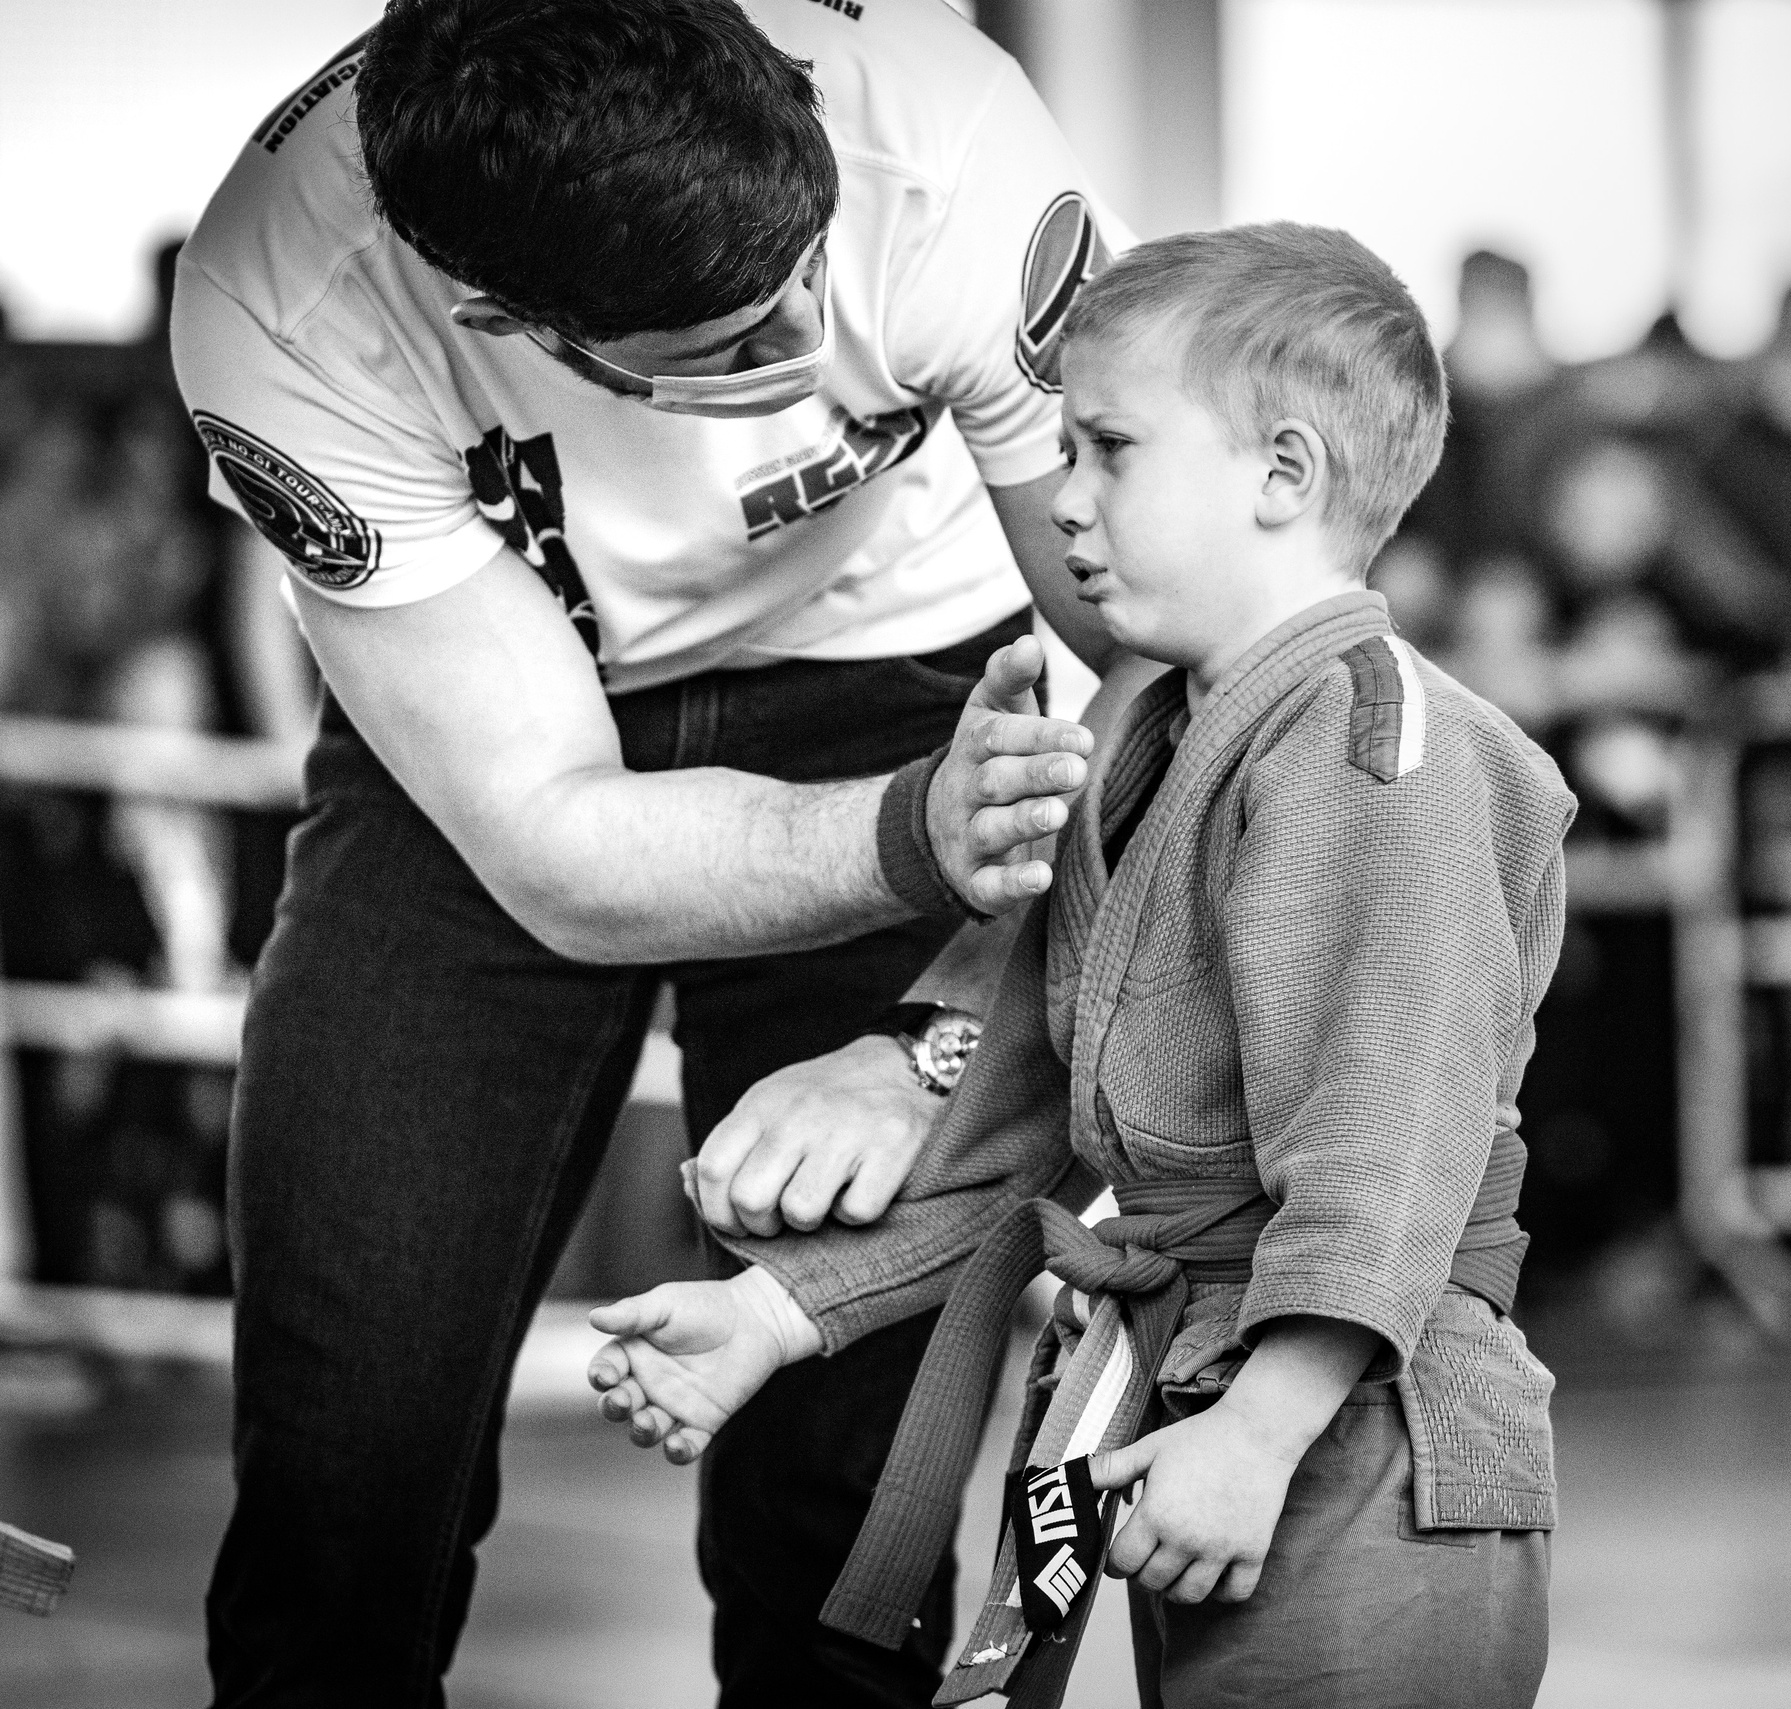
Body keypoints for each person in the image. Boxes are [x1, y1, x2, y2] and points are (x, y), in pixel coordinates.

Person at [168, 2, 1126, 1702]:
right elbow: (554, 835)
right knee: (347, 1453)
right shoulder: (285, 297)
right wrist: (914, 839)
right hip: (490, 719)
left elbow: (1170, 655)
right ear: (507, 321)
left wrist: (941, 1030)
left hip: (904, 667)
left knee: (842, 1490)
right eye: (744, 336)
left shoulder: (944, 140)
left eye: (811, 259)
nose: (818, 332)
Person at [587, 224, 1572, 1709]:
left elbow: (1393, 1143)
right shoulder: (1153, 744)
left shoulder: (1379, 751)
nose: (1063, 499)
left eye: (1110, 449)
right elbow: (1013, 1131)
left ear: (1282, 474)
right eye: (1064, 450)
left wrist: (1266, 1427)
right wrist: (773, 1314)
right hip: (1211, 1395)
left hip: (1365, 1425)